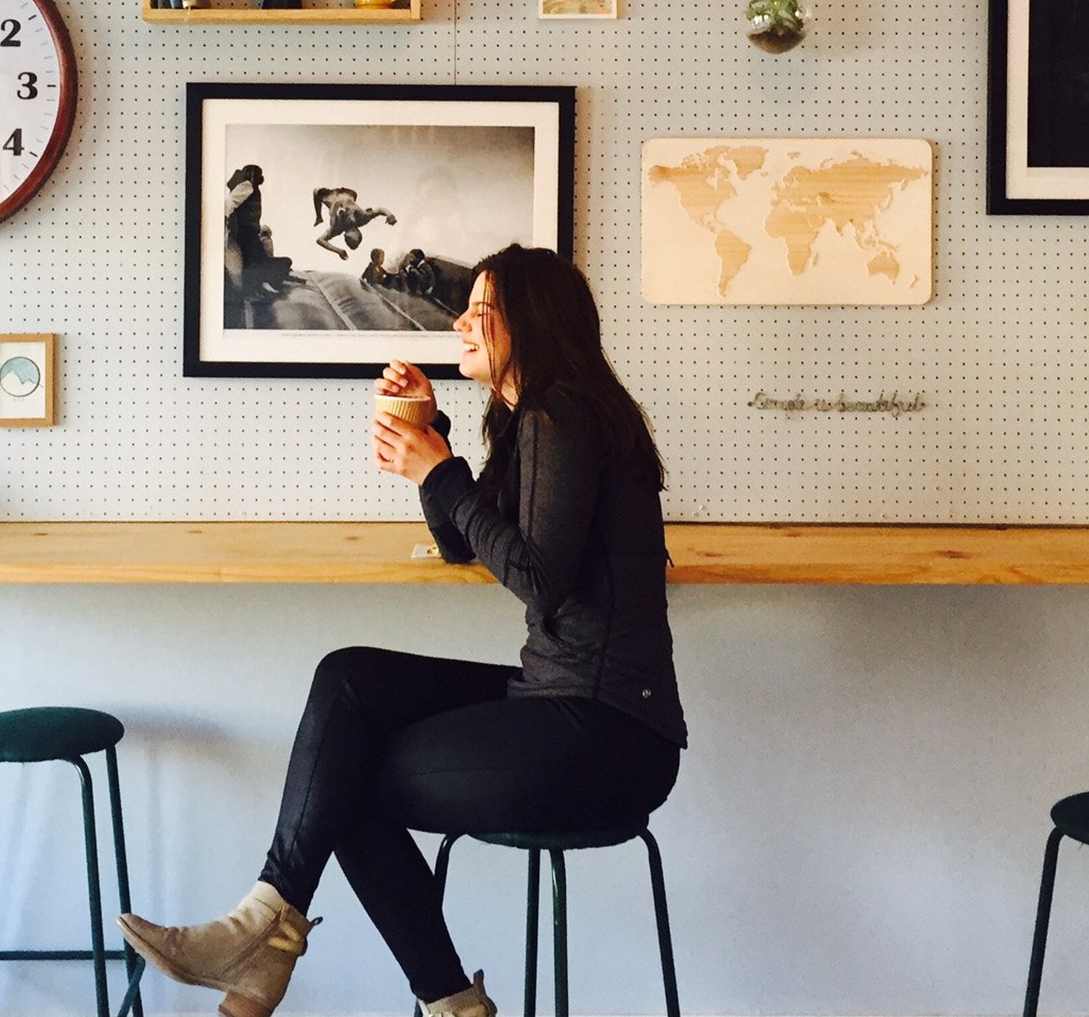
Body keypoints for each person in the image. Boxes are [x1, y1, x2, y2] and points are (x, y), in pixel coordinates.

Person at [118, 244, 686, 1017]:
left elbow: (537, 578)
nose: (460, 325)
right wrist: (432, 436)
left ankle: (316, 961)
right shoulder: (533, 422)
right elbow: (463, 540)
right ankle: (270, 934)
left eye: (481, 314)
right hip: (563, 697)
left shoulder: (563, 417)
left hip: (608, 734)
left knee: (340, 784)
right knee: (351, 680)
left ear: (534, 327)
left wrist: (438, 471)